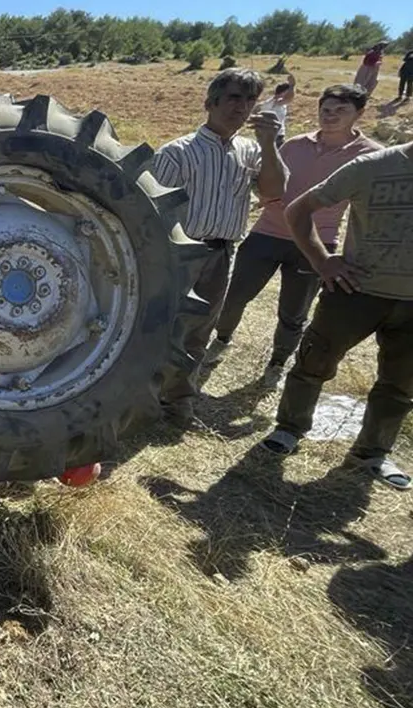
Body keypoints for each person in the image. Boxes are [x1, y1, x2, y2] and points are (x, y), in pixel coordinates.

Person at [203, 84, 383, 388]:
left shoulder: (371, 156)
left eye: (341, 111)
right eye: (326, 109)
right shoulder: (296, 145)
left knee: (293, 310)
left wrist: (349, 253)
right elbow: (270, 179)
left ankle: (277, 362)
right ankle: (221, 339)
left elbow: (369, 211)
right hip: (266, 233)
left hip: (315, 244)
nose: (331, 116)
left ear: (359, 114)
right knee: (234, 296)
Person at [258, 141, 413, 490]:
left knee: (400, 385)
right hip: (355, 292)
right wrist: (322, 261)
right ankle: (289, 428)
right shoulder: (371, 166)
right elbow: (298, 210)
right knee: (315, 362)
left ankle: (372, 452)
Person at [152, 67, 287, 426]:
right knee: (159, 326)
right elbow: (150, 210)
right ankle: (141, 398)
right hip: (177, 252)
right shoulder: (178, 152)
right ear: (210, 103)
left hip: (221, 252)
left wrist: (271, 144)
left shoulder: (250, 152)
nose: (241, 107)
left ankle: (177, 404)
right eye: (233, 98)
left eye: (249, 100)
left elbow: (274, 192)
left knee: (199, 332)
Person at [258, 74, 295, 146]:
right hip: (275, 137)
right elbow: (289, 98)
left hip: (272, 135)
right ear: (283, 92)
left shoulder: (270, 102)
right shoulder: (277, 102)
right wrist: (292, 86)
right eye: (287, 91)